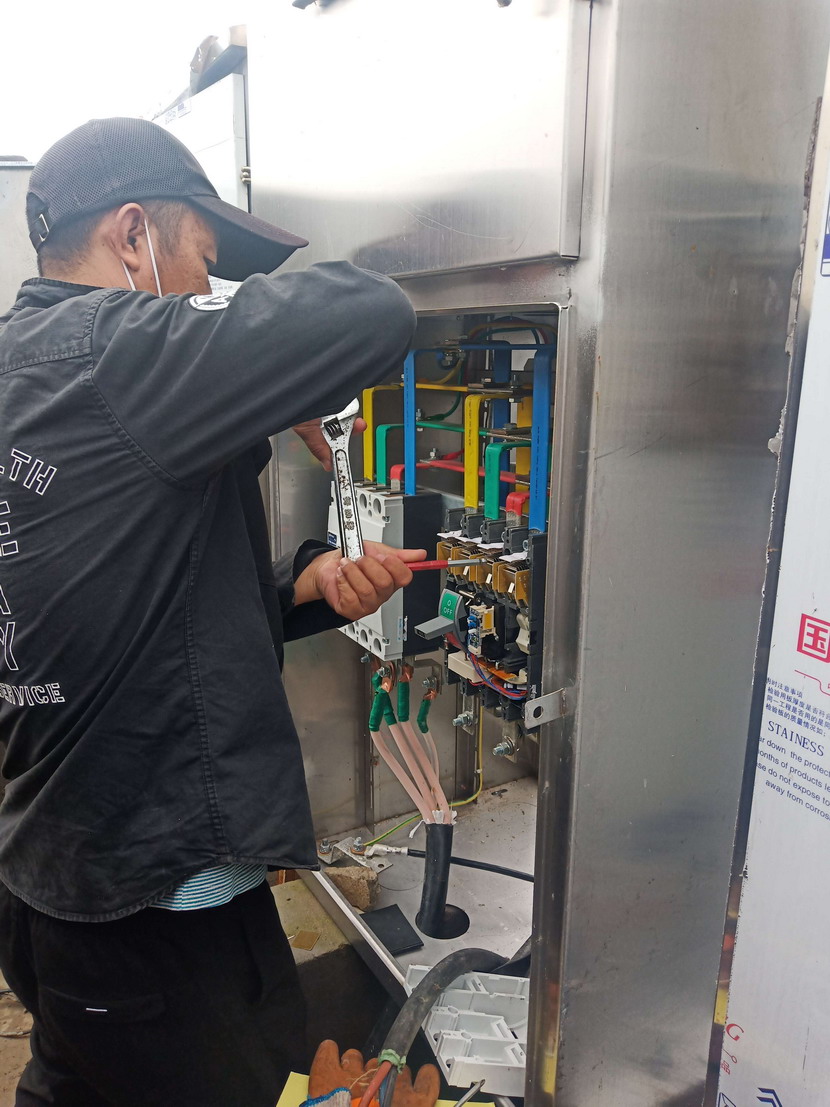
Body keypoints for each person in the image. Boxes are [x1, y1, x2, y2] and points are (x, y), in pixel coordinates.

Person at [0, 117, 425, 1106]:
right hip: (164, 904)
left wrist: (300, 588)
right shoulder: (119, 356)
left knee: (71, 1085)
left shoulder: (24, 369)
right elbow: (373, 311)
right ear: (132, 234)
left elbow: (112, 606)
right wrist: (265, 370)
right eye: (202, 258)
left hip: (51, 879)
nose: (206, 286)